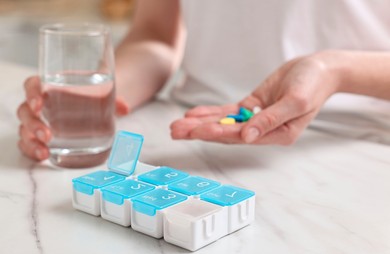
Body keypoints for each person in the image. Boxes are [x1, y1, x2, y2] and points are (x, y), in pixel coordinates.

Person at [17, 0, 390, 161]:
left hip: (352, 147)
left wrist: (334, 71)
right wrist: (103, 92)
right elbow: (156, 37)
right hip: (189, 137)